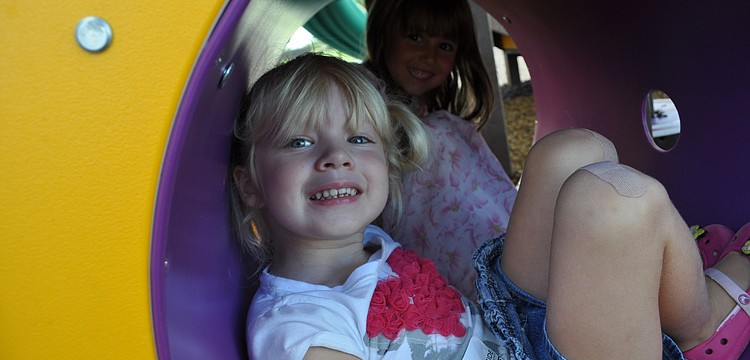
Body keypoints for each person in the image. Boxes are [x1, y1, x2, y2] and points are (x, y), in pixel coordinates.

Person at [232, 53, 750, 359]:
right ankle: (699, 329)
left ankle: (669, 302)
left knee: (573, 151)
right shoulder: (298, 328)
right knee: (613, 200)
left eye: (359, 140)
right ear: (249, 185)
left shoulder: (364, 244)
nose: (335, 158)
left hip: (503, 330)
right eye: (299, 143)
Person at [365, 0, 517, 298]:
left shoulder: (429, 110)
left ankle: (508, 245)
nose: (429, 56)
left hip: (452, 231)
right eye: (415, 37)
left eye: (445, 46)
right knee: (441, 130)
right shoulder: (363, 92)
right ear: (384, 34)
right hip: (388, 227)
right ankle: (498, 265)